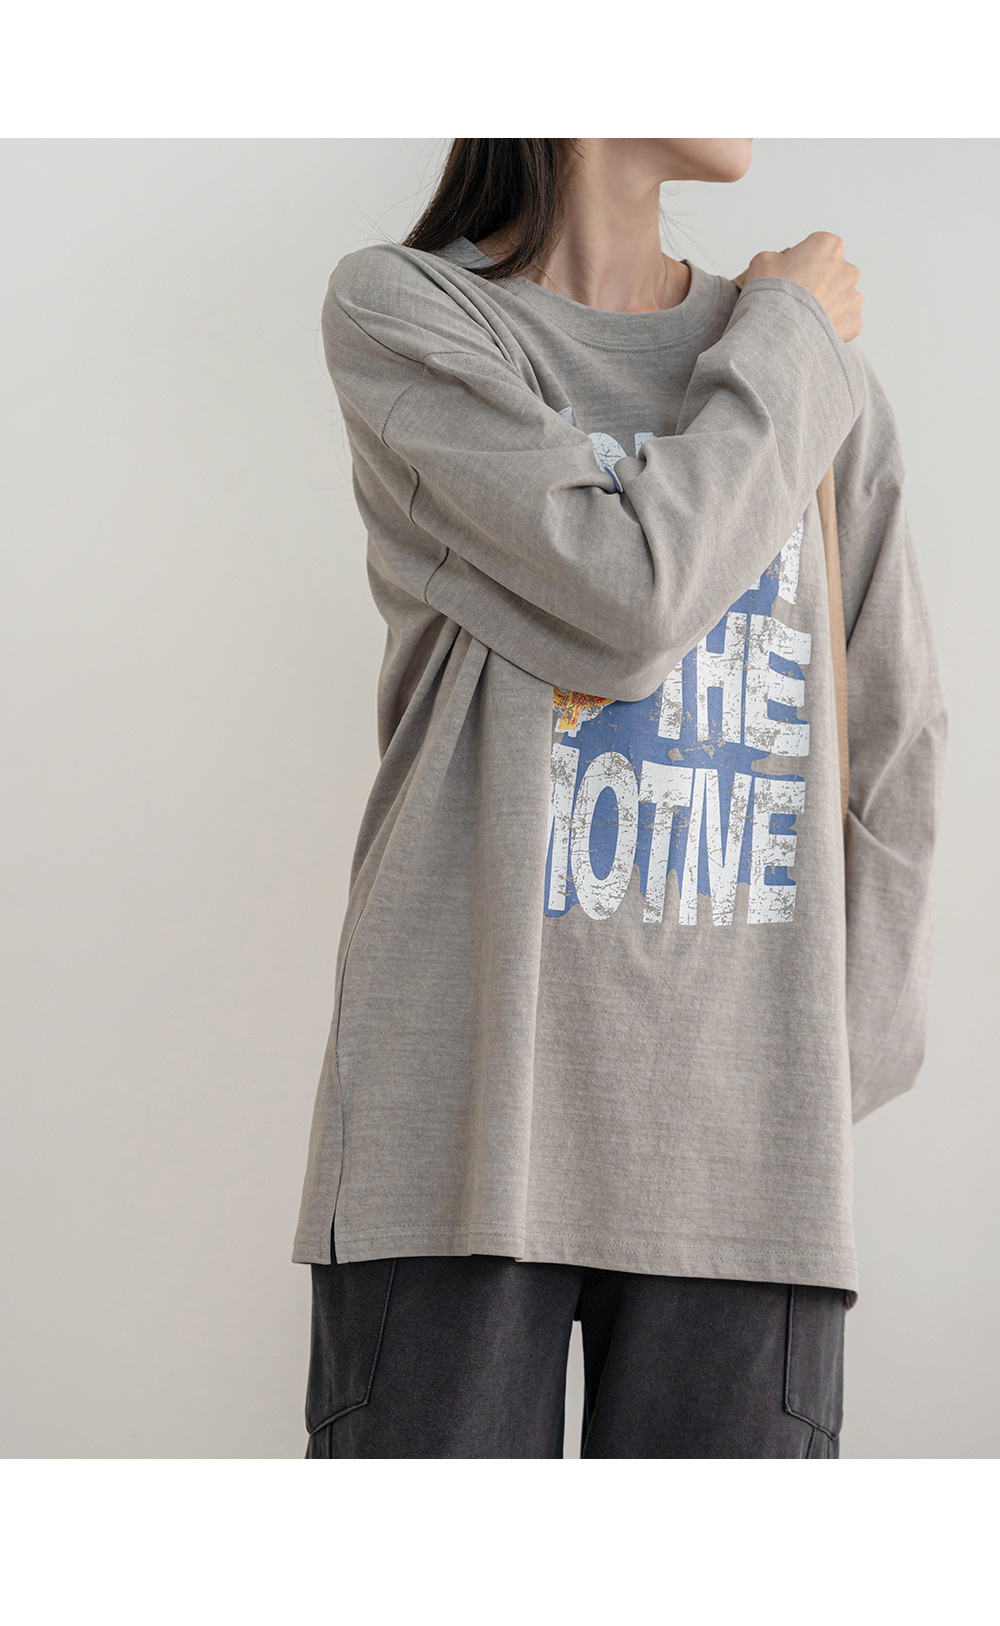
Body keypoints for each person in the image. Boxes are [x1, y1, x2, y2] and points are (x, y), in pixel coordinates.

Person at [292, 138, 946, 1458]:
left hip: (748, 1167)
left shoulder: (820, 375)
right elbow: (628, 598)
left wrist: (812, 1070)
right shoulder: (412, 316)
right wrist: (786, 337)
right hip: (458, 1135)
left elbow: (895, 740)